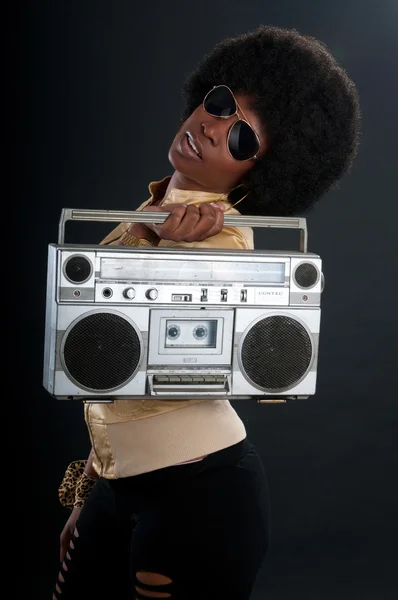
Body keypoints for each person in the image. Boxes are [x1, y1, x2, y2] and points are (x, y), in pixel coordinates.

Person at [53, 25, 360, 600]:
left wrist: (178, 259)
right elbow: (106, 374)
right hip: (123, 487)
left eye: (243, 139)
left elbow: (171, 369)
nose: (213, 127)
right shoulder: (153, 212)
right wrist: (92, 494)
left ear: (260, 174)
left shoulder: (221, 247)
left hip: (200, 499)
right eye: (220, 103)